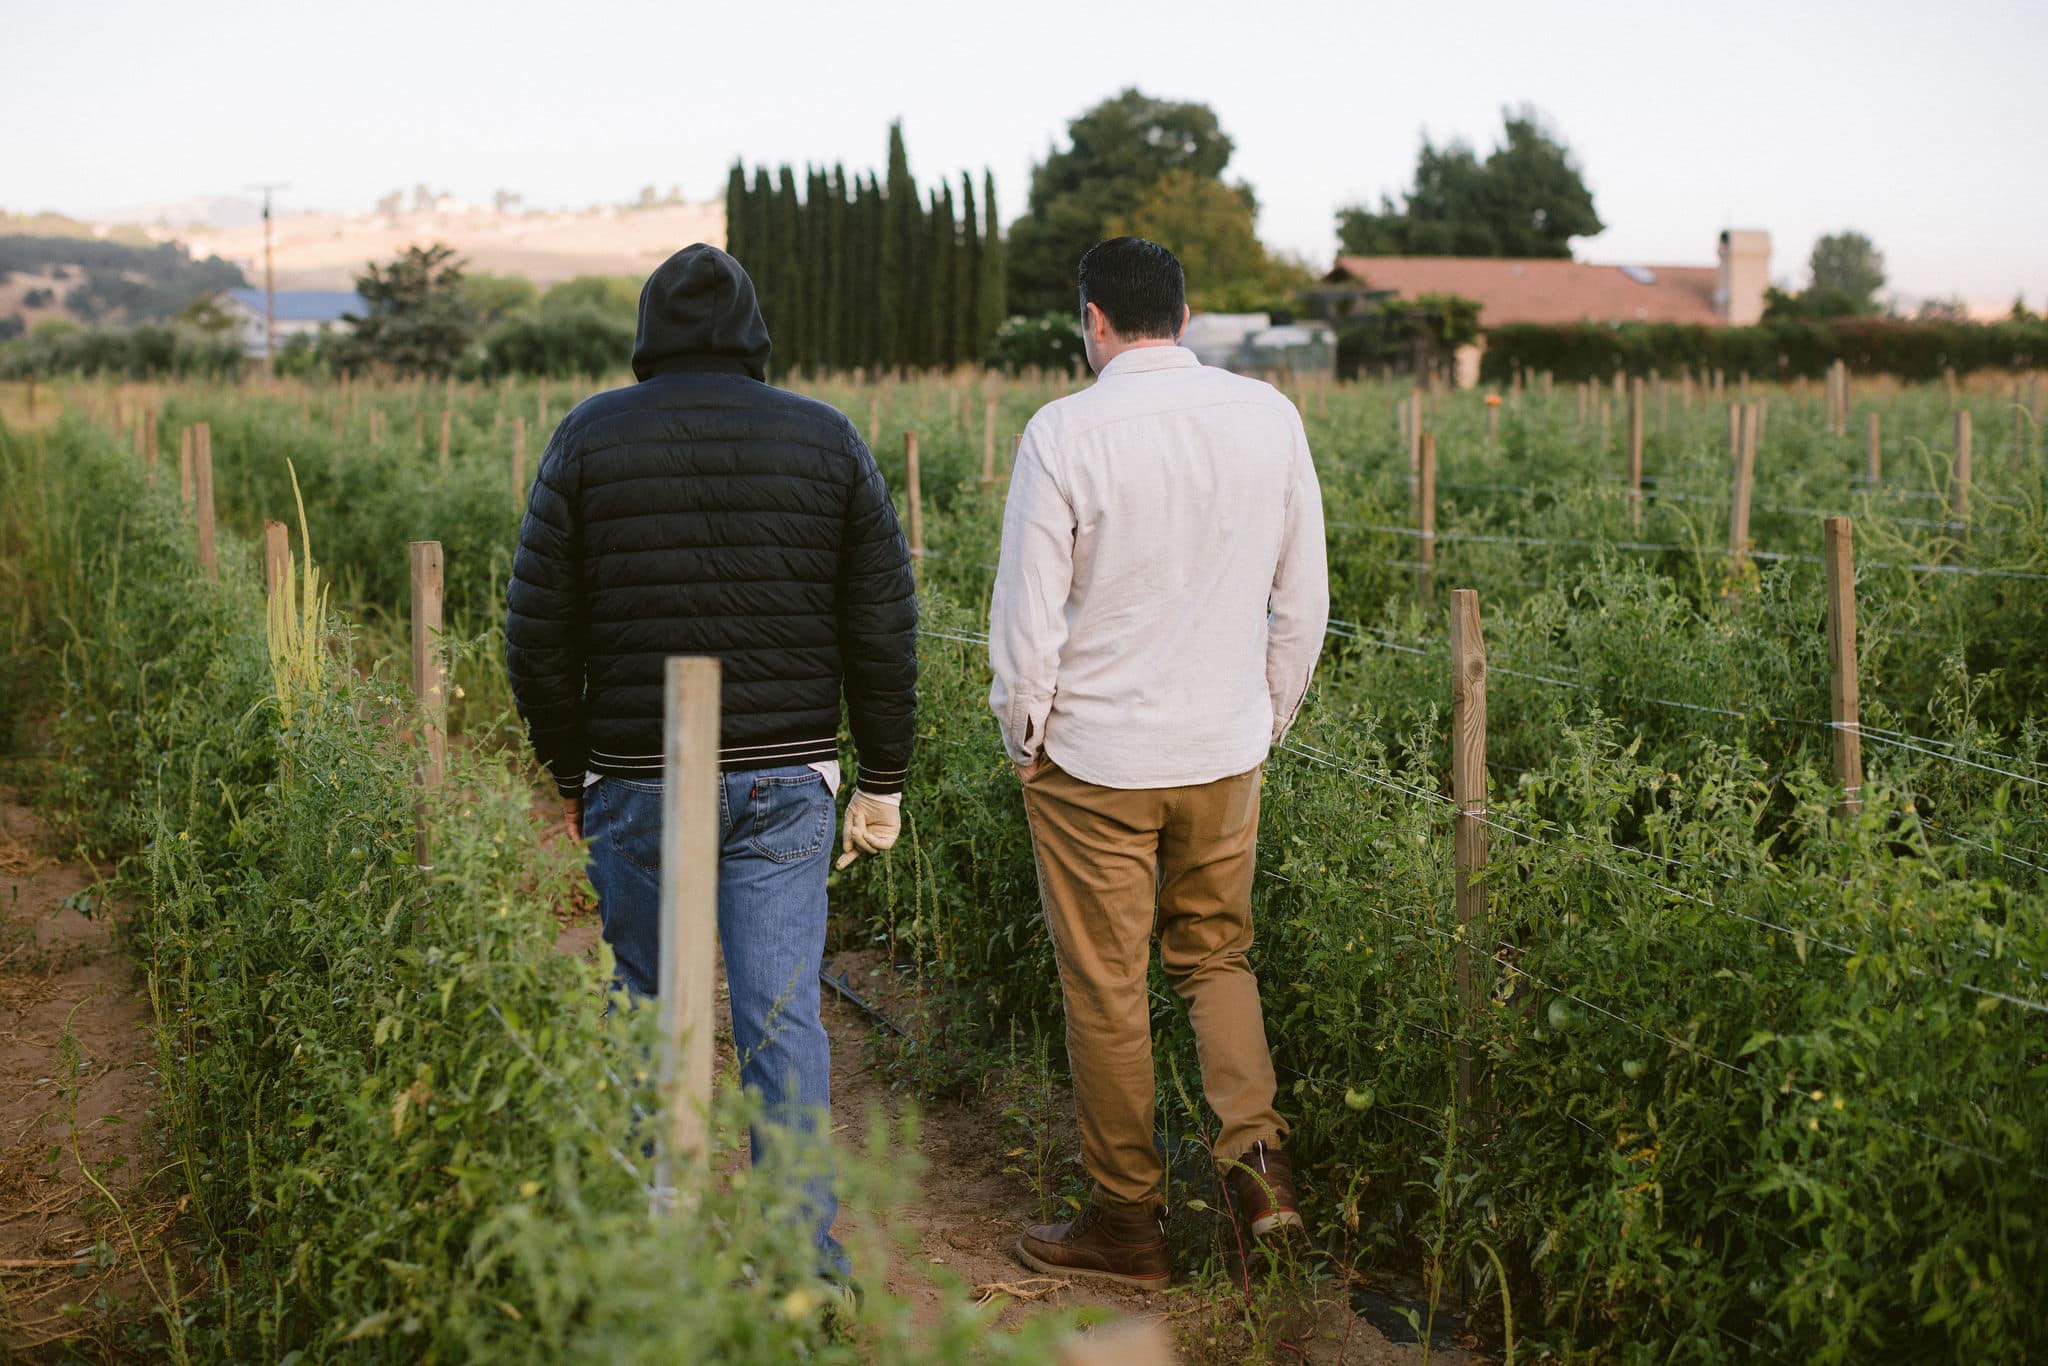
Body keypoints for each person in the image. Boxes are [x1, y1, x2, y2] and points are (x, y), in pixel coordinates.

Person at [506, 243, 917, 1282]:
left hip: (639, 772)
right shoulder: (824, 437)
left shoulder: (590, 434)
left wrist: (568, 769)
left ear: (648, 334)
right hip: (785, 778)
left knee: (649, 1010)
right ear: (752, 335)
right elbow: (881, 625)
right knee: (780, 1015)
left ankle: (662, 1258)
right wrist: (883, 779)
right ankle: (802, 1272)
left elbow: (536, 629)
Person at [990, 237, 1329, 1288]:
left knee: (1106, 988)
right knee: (1216, 956)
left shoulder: (1062, 432)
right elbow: (1302, 596)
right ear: (1181, 317)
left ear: (1092, 320)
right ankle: (1258, 1170)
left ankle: (1127, 1227)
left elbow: (1025, 622)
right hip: (1221, 749)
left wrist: (1026, 738)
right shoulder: (1267, 416)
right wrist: (1262, 719)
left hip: (1095, 758)